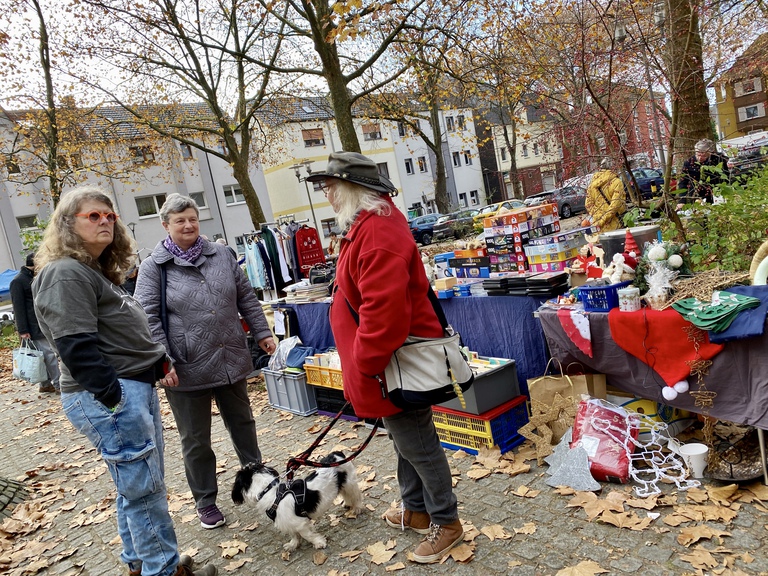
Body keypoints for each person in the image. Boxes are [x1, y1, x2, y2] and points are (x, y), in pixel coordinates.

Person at [31, 185, 216, 576]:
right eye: (93, 216)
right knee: (145, 490)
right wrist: (114, 398)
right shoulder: (64, 272)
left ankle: (139, 562)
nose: (104, 221)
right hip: (112, 395)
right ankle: (162, 570)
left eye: (109, 216)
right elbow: (74, 344)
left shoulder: (91, 271)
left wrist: (153, 368)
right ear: (68, 224)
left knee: (135, 487)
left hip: (130, 389)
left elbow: (119, 335)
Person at [307, 152, 464, 564]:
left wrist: (366, 365)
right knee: (405, 439)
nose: (326, 194)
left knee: (418, 442)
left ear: (353, 189)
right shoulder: (369, 225)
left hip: (389, 365)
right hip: (385, 365)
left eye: (329, 186)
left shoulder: (377, 231)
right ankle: (415, 510)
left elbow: (384, 316)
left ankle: (446, 523)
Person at [134, 193, 276, 530]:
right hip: (185, 368)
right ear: (166, 225)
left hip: (229, 358)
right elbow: (146, 318)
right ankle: (206, 501)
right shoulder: (154, 267)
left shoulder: (222, 254)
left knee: (243, 424)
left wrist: (262, 332)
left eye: (193, 218)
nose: (188, 225)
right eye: (180, 220)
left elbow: (247, 298)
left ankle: (259, 482)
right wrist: (162, 362)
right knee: (196, 440)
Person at [10, 252, 61, 393]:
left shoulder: (34, 278)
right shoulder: (18, 281)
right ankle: (58, 385)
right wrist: (23, 330)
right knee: (49, 355)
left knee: (41, 356)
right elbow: (18, 307)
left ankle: (45, 385)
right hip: (33, 326)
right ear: (35, 264)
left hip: (41, 323)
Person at [677, 138, 730, 204]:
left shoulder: (718, 159)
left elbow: (726, 176)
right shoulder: (688, 163)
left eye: (704, 156)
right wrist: (682, 201)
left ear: (710, 153)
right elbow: (683, 182)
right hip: (697, 197)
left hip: (716, 194)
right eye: (698, 155)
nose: (700, 158)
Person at [584, 157, 626, 232]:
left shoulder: (592, 185)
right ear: (613, 168)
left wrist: (598, 216)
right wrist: (604, 218)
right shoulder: (617, 182)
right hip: (615, 225)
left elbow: (588, 205)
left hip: (599, 227)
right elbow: (615, 205)